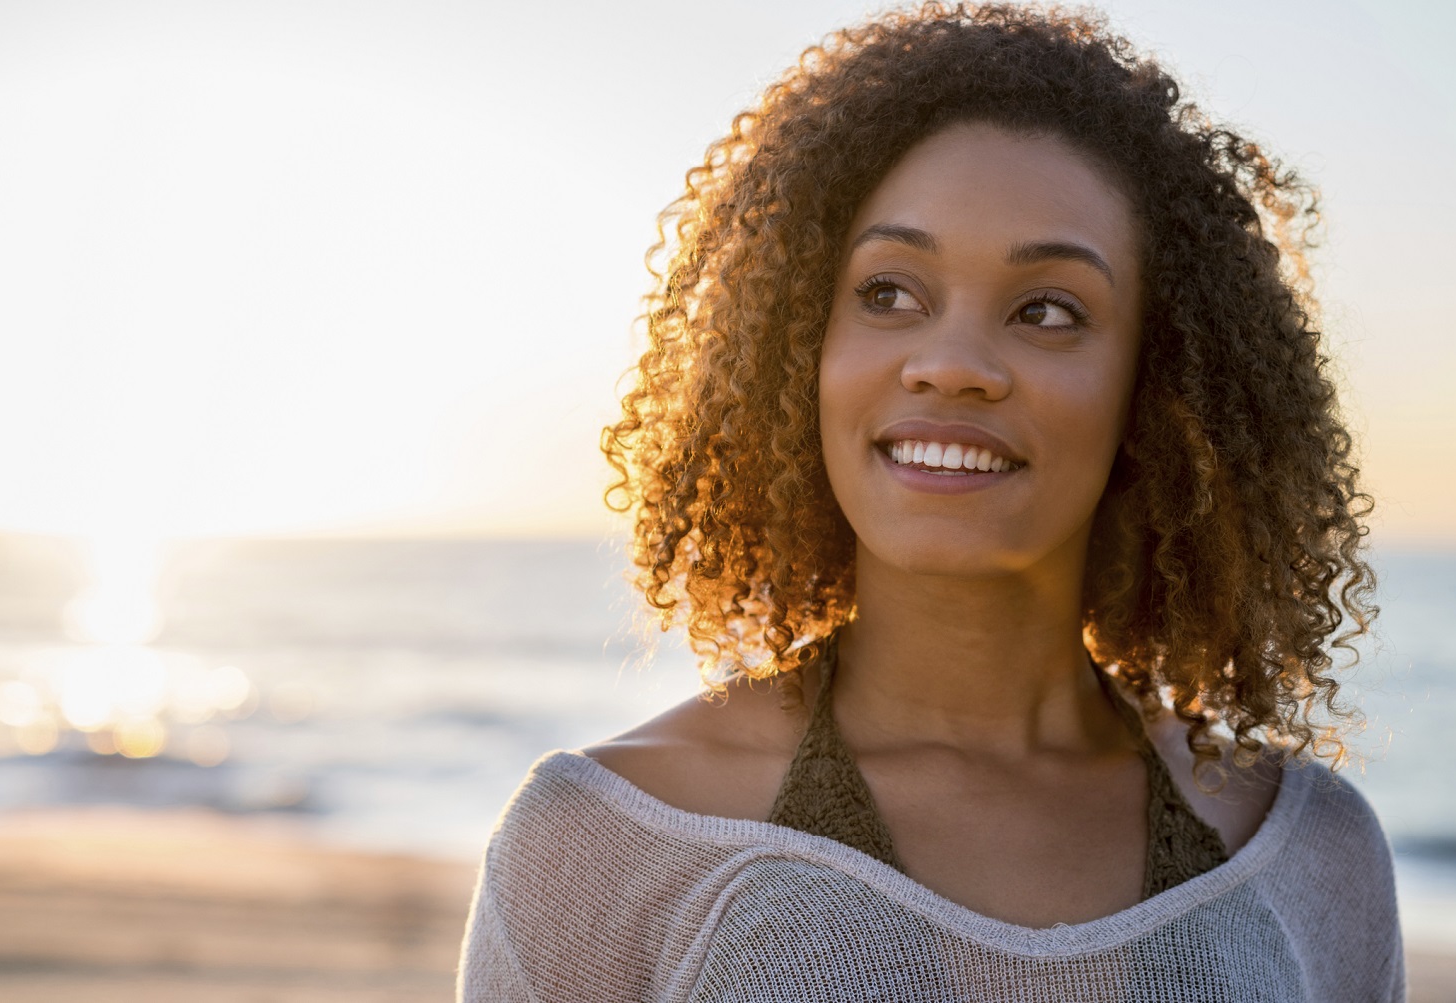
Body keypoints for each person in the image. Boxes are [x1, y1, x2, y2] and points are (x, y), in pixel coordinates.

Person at [459, 4, 1400, 1000]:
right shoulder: (602, 836)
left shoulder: (1308, 854)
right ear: (799, 350)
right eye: (888, 292)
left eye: (1048, 310)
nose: (951, 365)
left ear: (1159, 385)